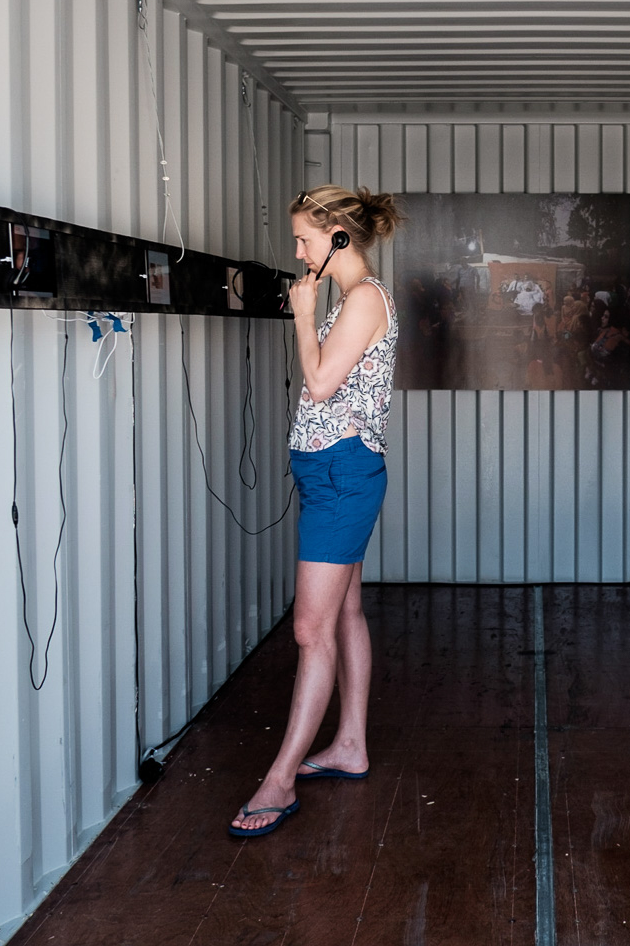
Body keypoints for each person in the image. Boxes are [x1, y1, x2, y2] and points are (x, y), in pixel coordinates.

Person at [229, 184, 405, 837]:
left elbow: (322, 382)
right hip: (332, 471)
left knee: (310, 630)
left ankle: (278, 781)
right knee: (345, 612)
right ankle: (349, 745)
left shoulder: (361, 299)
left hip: (341, 475)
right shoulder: (354, 298)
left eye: (305, 238)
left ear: (338, 237)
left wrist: (303, 315)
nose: (298, 250)